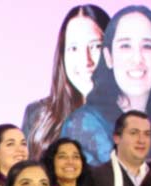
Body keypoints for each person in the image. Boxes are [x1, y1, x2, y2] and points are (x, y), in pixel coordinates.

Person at [61, 5, 151, 167]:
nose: (137, 59)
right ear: (108, 57)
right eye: (125, 46)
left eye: (147, 46)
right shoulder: (82, 124)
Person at [22, 4, 110, 160]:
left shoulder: (136, 117)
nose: (86, 60)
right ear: (63, 57)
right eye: (74, 48)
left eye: (96, 46)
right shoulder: (37, 116)